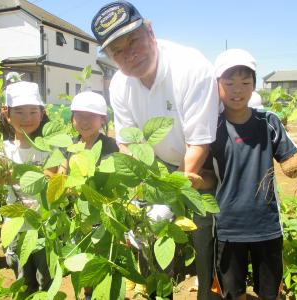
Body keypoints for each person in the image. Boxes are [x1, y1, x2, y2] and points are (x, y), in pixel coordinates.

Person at [91, 2, 220, 299]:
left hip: (203, 164)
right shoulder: (121, 85)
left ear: (150, 30)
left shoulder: (191, 66)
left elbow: (199, 143)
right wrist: (142, 191)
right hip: (157, 166)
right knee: (149, 238)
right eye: (117, 51)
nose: (129, 55)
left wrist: (170, 195)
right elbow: (129, 142)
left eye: (133, 41)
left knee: (205, 235)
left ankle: (208, 292)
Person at [211, 49, 297, 300]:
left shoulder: (269, 122)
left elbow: (289, 169)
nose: (237, 90)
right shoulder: (211, 128)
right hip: (228, 227)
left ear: (254, 85)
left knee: (270, 293)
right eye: (229, 83)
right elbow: (209, 176)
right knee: (233, 294)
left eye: (245, 82)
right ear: (217, 85)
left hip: (267, 226)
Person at [0, 81, 53, 296]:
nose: (27, 118)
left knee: (47, 277)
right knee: (22, 279)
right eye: (19, 112)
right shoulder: (3, 149)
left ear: (41, 113)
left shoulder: (48, 148)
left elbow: (56, 178)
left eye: (32, 111)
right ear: (7, 114)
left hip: (44, 224)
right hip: (16, 225)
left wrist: (22, 174)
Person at [64, 91, 119, 300]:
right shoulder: (70, 145)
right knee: (84, 260)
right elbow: (62, 175)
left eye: (91, 116)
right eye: (79, 116)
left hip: (103, 214)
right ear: (72, 119)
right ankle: (88, 295)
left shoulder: (110, 146)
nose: (84, 122)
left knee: (104, 260)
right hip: (78, 217)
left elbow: (116, 183)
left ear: (102, 119)